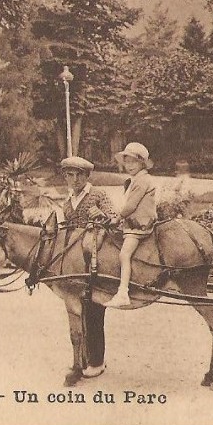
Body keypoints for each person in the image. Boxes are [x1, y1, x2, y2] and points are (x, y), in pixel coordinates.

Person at [59, 156, 117, 377]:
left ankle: (97, 361)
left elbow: (114, 218)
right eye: (68, 175)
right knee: (78, 312)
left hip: (97, 260)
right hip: (76, 268)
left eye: (76, 175)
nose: (72, 179)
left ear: (85, 176)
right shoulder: (68, 202)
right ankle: (82, 359)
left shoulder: (98, 194)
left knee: (94, 312)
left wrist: (101, 216)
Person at [105, 143, 158, 309]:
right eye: (126, 162)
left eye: (133, 162)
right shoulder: (137, 180)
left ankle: (123, 293)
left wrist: (117, 218)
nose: (129, 166)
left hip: (139, 225)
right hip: (134, 223)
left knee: (124, 255)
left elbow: (131, 206)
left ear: (142, 163)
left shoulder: (142, 181)